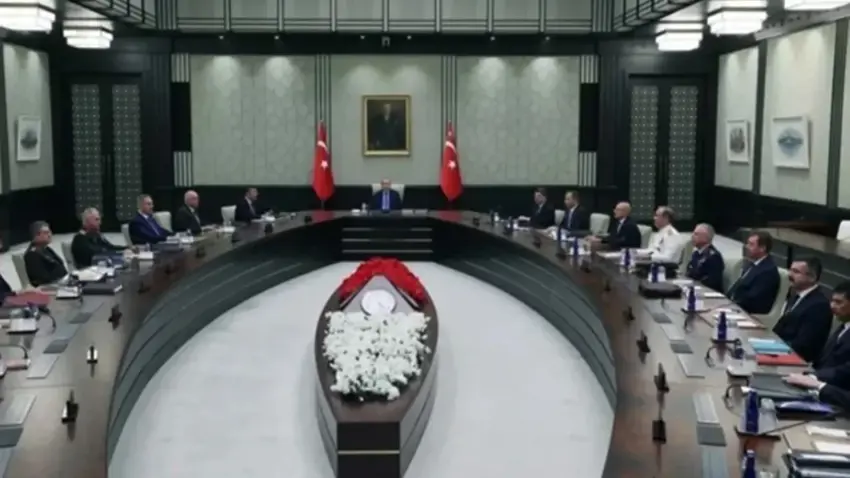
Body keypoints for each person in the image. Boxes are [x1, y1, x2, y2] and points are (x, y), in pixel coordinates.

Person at [786, 281, 850, 393]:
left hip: (834, 391)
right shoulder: (844, 327)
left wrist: (813, 377)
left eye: (839, 302)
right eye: (832, 301)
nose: (832, 306)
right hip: (818, 380)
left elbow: (845, 371)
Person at [772, 257, 833, 362]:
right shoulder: (797, 296)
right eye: (790, 270)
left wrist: (773, 348)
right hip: (779, 349)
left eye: (796, 272)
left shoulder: (819, 306)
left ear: (812, 278)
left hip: (796, 359)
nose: (789, 275)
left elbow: (804, 345)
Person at [726, 230, 780, 314]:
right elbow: (738, 287)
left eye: (751, 244)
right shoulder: (752, 264)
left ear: (762, 248)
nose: (747, 247)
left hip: (750, 313)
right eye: (747, 243)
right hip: (736, 306)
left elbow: (753, 298)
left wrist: (730, 303)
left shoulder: (768, 271)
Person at [24, 221, 68, 286]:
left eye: (50, 232)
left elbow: (60, 264)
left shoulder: (46, 249)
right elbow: (42, 280)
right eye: (46, 233)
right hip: (50, 288)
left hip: (62, 283)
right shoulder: (31, 255)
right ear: (37, 235)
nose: (50, 235)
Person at [685, 223, 725, 292]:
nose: (692, 236)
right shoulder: (696, 253)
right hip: (694, 289)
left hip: (709, 293)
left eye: (696, 234)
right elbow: (690, 273)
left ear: (706, 238)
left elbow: (712, 282)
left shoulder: (714, 257)